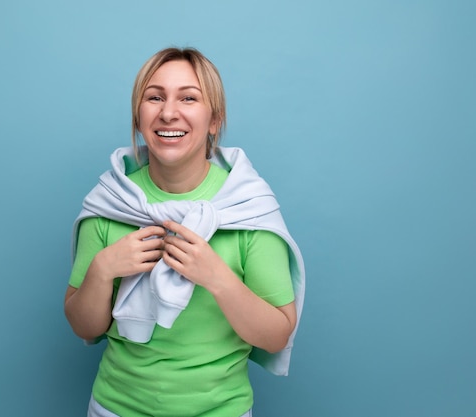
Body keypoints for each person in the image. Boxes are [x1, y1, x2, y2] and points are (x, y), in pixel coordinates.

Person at [64, 47, 305, 417]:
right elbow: (85, 328)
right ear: (139, 115)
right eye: (154, 97)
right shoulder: (110, 203)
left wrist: (217, 278)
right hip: (115, 408)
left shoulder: (246, 207)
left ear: (214, 120)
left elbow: (276, 337)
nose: (168, 112)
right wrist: (102, 270)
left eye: (188, 98)